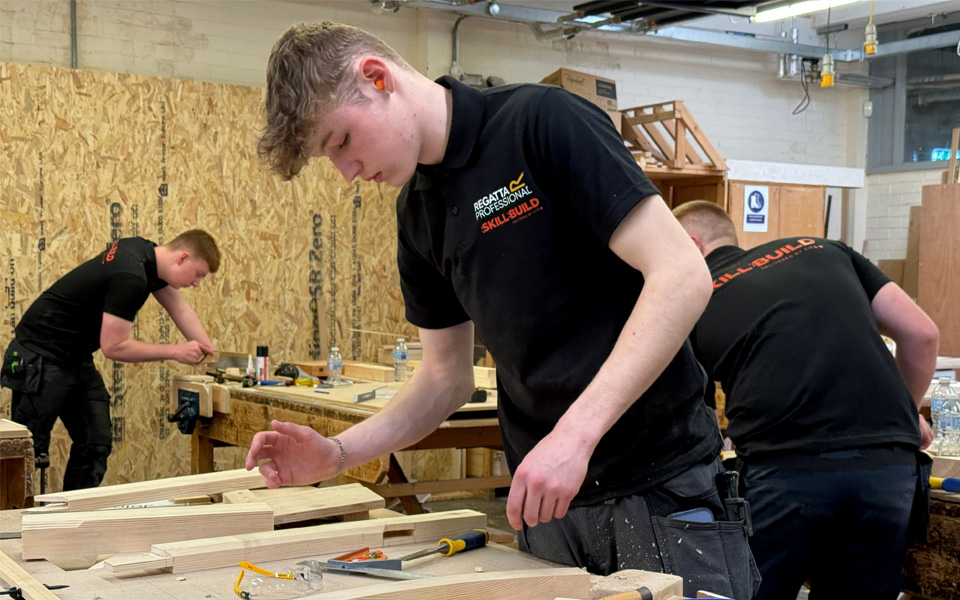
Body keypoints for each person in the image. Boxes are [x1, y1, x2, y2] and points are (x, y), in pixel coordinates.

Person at [246, 22, 758, 597]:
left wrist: (573, 437)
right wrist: (339, 454)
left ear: (377, 77)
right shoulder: (419, 215)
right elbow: (446, 378)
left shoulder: (541, 123)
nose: (347, 172)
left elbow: (682, 275)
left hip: (660, 488)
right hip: (548, 508)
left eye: (340, 141)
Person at [673, 200, 938, 600]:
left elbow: (694, 416)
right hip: (888, 469)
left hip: (787, 474)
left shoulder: (691, 301)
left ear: (692, 245)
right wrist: (904, 411)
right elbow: (922, 333)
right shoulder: (824, 248)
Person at [1, 230, 220, 491]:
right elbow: (113, 347)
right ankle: (13, 526)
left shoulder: (145, 254)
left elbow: (178, 307)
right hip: (39, 354)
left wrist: (208, 350)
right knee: (27, 452)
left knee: (96, 441)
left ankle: (74, 520)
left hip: (74, 357)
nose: (196, 284)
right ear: (182, 258)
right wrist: (175, 351)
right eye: (198, 275)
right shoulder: (131, 276)